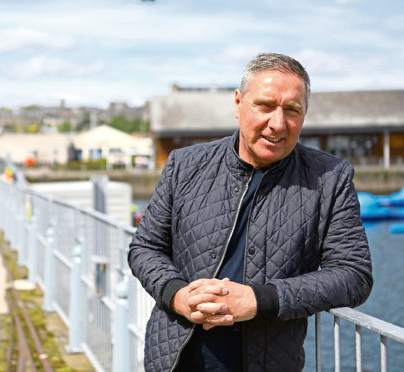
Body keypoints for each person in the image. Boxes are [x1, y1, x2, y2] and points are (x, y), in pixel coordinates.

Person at [128, 53, 373, 372]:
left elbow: (354, 275)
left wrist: (260, 300)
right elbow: (145, 248)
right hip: (173, 359)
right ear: (238, 103)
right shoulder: (184, 165)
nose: (278, 123)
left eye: (292, 110)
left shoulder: (330, 178)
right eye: (265, 105)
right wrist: (177, 295)